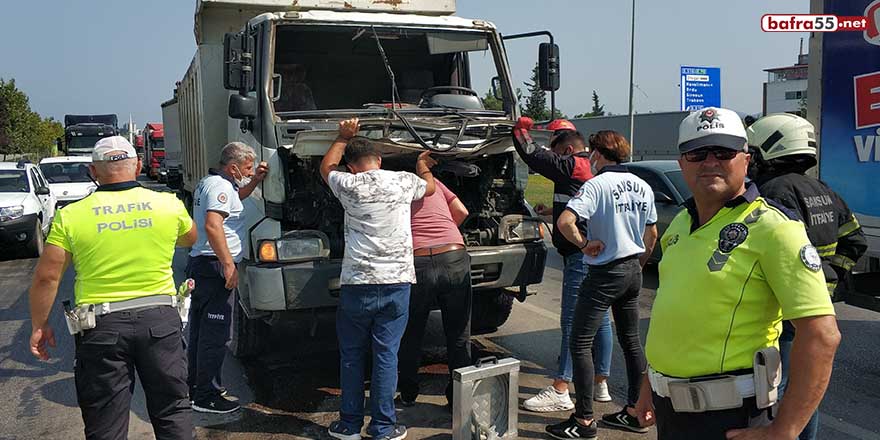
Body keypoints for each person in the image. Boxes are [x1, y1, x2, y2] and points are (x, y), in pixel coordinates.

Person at [633, 107, 841, 439]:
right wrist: (651, 384)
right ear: (682, 162)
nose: (710, 161)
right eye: (697, 152)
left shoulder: (774, 228)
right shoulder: (682, 224)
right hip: (670, 411)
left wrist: (785, 430)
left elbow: (821, 336)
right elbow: (673, 317)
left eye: (724, 151)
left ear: (745, 160)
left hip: (733, 419)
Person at [28, 136, 198, 439]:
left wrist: (40, 325)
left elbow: (47, 277)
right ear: (139, 165)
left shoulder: (71, 216)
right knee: (173, 409)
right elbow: (189, 238)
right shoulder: (168, 204)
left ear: (94, 171)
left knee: (105, 421)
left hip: (101, 327)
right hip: (159, 320)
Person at [747, 113, 867, 440]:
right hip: (816, 303)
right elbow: (856, 240)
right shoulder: (823, 189)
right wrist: (829, 277)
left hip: (780, 307)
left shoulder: (770, 192)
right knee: (806, 384)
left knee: (781, 387)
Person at [321, 118, 436, 440]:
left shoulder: (348, 184)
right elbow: (430, 188)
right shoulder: (402, 180)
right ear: (379, 161)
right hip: (397, 281)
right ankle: (384, 427)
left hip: (357, 283)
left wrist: (342, 137)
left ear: (352, 167)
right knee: (386, 355)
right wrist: (423, 165)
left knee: (352, 355)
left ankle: (349, 425)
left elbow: (326, 166)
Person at [545, 130, 658, 439]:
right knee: (631, 342)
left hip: (604, 272)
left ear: (597, 154)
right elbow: (652, 235)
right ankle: (635, 411)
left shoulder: (595, 186)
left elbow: (565, 222)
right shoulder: (642, 186)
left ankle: (583, 420)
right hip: (632, 271)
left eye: (591, 154)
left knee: (580, 342)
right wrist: (638, 266)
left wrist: (583, 245)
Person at [512, 118, 616, 413]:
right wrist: (552, 211)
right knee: (601, 321)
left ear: (569, 149)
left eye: (558, 151)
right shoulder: (594, 171)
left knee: (573, 321)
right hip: (598, 255)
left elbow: (532, 153)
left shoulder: (574, 165)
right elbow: (575, 203)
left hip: (579, 257)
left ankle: (561, 387)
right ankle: (600, 383)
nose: (556, 158)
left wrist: (519, 129)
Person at [186, 141, 268, 414]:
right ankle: (206, 397)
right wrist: (228, 265)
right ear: (233, 167)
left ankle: (197, 387)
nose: (249, 171)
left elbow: (237, 198)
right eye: (247, 167)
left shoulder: (215, 182)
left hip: (204, 265)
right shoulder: (221, 187)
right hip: (214, 267)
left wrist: (255, 180)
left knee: (200, 332)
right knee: (216, 334)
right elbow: (212, 224)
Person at [397, 176, 471, 408]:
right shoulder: (436, 183)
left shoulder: (395, 185)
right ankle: (458, 399)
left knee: (412, 331)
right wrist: (444, 233)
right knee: (458, 333)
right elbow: (462, 211)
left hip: (417, 260)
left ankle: (408, 394)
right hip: (453, 254)